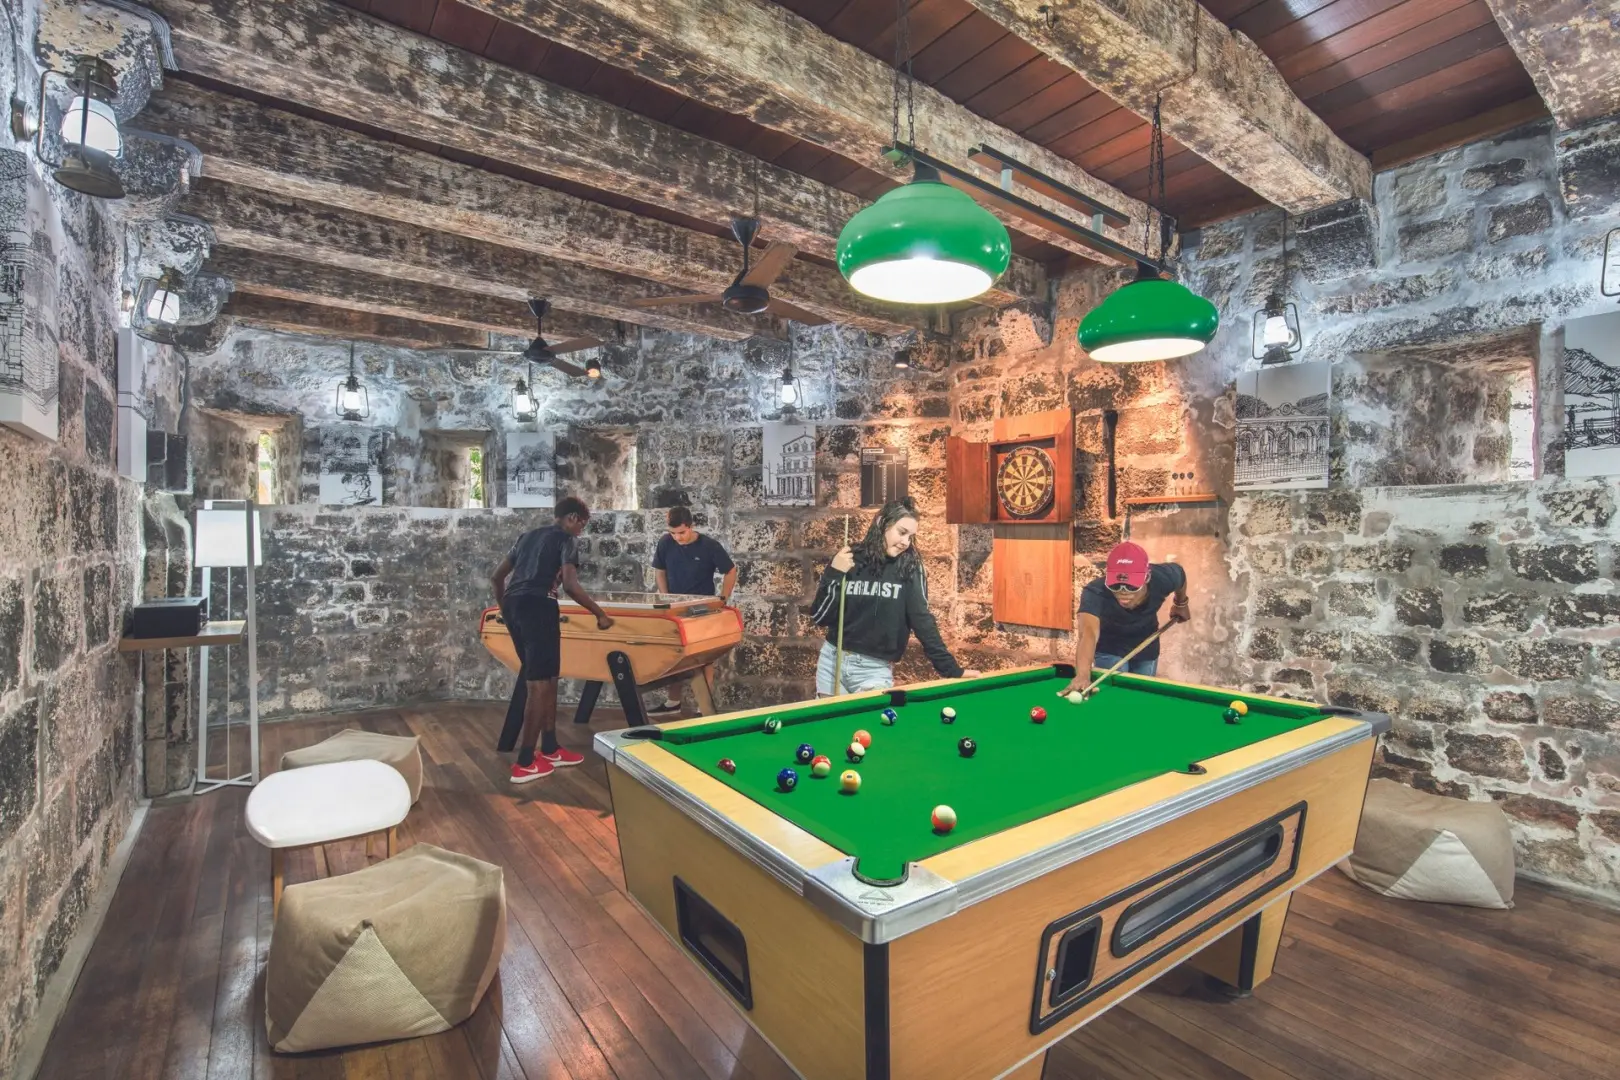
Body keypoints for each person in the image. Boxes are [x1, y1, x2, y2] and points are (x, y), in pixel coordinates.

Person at [490, 496, 614, 784]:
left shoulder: (526, 537)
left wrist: (505, 609)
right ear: (572, 518)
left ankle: (550, 747)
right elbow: (570, 585)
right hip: (540, 606)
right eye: (582, 524)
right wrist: (600, 614)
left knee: (549, 678)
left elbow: (496, 577)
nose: (581, 530)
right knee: (539, 685)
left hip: (514, 605)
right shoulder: (566, 540)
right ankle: (525, 762)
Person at [809, 497, 977, 695]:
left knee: (870, 717)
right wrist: (834, 574)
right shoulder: (849, 558)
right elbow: (820, 617)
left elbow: (922, 620)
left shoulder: (910, 568)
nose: (906, 542)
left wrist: (950, 670)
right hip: (832, 662)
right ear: (882, 523)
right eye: (902, 532)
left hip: (873, 670)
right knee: (832, 718)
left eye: (910, 536)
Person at [1060, 541, 1190, 698]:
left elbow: (1180, 575)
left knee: (1141, 698)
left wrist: (1181, 603)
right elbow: (1088, 634)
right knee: (1115, 699)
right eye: (1116, 585)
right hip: (1110, 648)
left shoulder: (1163, 578)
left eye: (1131, 586)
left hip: (1146, 644)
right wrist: (1082, 675)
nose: (1123, 592)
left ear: (1147, 577)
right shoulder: (1095, 592)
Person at [647, 506, 737, 715]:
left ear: (691, 526)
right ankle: (673, 703)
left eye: (681, 532)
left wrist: (722, 599)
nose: (677, 537)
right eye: (673, 533)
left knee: (704, 658)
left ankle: (702, 708)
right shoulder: (665, 543)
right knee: (675, 655)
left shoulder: (709, 546)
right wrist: (665, 597)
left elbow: (730, 570)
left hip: (702, 609)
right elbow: (660, 570)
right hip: (675, 608)